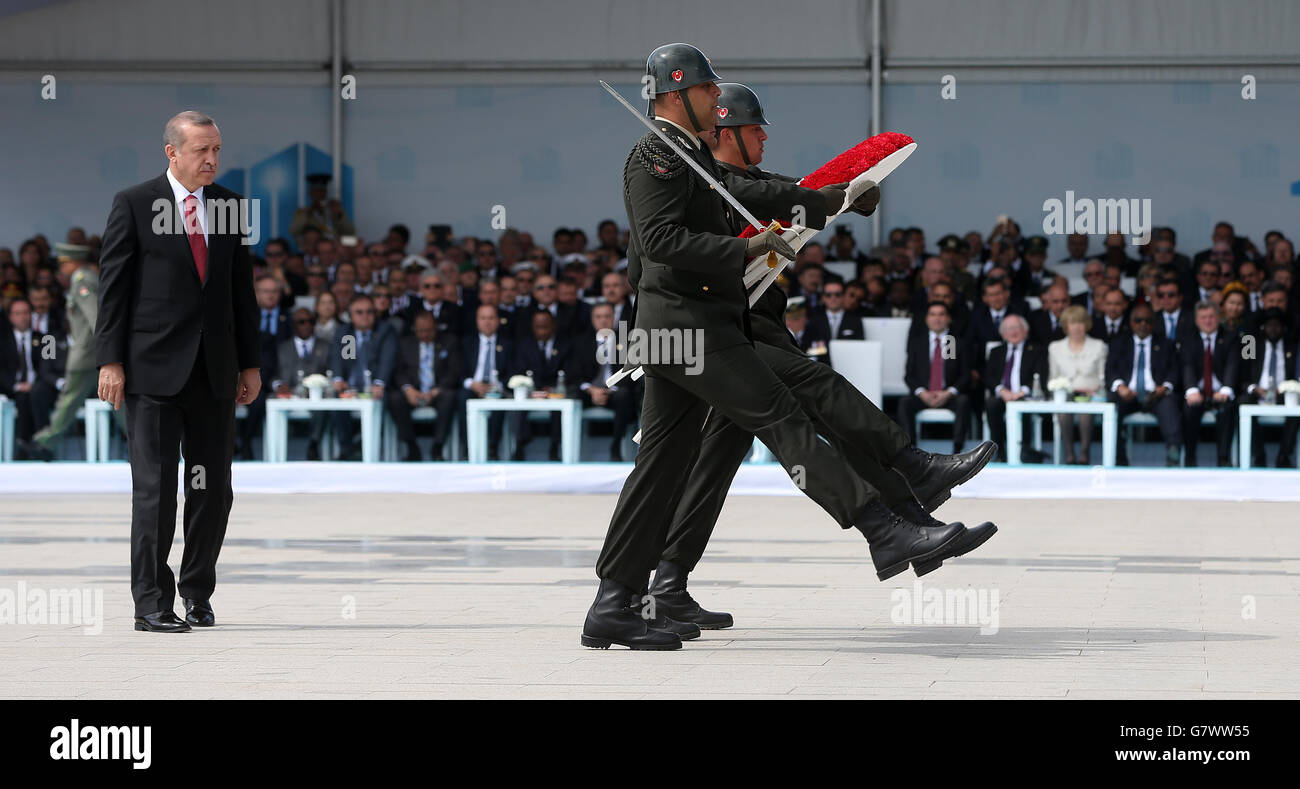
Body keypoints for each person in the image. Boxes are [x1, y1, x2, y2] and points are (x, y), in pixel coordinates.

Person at [636, 78, 996, 636]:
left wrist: (845, 197)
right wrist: (817, 203)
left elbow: (792, 192)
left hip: (747, 331)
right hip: (718, 335)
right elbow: (693, 236)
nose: (764, 138)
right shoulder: (701, 178)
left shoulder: (735, 179)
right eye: (756, 128)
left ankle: (667, 585)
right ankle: (907, 489)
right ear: (726, 131)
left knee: (714, 464)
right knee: (812, 394)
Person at [95, 110, 261, 632]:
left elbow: (241, 292)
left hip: (214, 372)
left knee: (214, 490)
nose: (211, 160)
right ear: (172, 152)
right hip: (151, 374)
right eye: (201, 151)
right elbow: (113, 289)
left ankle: (197, 592)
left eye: (216, 150)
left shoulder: (232, 206)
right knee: (156, 490)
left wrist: (251, 362)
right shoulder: (135, 203)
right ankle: (150, 603)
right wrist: (110, 360)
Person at [26, 244, 125, 460]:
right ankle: (142, 441)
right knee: (118, 402)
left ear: (73, 262)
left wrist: (105, 353)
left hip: (86, 355)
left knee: (69, 402)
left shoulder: (82, 281)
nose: (63, 269)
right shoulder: (87, 278)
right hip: (93, 354)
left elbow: (96, 319)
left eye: (65, 263)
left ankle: (44, 442)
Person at [1106, 303, 1182, 467]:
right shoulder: (1119, 343)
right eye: (1138, 320)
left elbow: (1174, 371)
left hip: (1155, 395)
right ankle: (1119, 458)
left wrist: (1165, 387)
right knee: (1112, 404)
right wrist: (1120, 386)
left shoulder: (1166, 344)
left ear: (1153, 323)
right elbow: (1110, 370)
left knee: (1170, 403)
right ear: (1131, 322)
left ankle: (1173, 454)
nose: (1143, 324)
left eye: (1147, 321)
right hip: (1128, 395)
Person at [897, 301, 973, 452]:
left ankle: (957, 450)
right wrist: (922, 393)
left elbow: (965, 375)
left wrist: (948, 393)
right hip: (924, 395)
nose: (937, 318)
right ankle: (911, 451)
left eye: (941, 314)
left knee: (964, 401)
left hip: (948, 396)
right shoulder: (917, 343)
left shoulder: (954, 342)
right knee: (905, 403)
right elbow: (909, 376)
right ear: (926, 319)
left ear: (948, 319)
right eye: (932, 314)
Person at [329, 294, 397, 460]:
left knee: (384, 399)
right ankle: (347, 449)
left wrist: (379, 383)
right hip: (351, 387)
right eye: (359, 312)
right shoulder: (347, 333)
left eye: (369, 312)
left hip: (375, 387)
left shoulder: (383, 331)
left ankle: (369, 447)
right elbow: (342, 360)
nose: (365, 316)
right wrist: (338, 379)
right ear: (351, 315)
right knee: (337, 399)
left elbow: (387, 359)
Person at [388, 311, 461, 461]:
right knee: (395, 398)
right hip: (413, 392)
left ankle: (438, 447)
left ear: (436, 328)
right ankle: (412, 447)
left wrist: (435, 392)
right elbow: (398, 372)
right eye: (421, 331)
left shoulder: (449, 341)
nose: (425, 334)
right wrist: (408, 389)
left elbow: (454, 372)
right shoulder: (405, 344)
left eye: (429, 330)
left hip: (437, 392)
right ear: (414, 329)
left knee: (450, 397)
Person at [1179, 300, 1239, 467]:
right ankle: (1190, 459)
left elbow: (1233, 365)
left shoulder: (1231, 338)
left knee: (1228, 409)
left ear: (1219, 317)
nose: (1208, 321)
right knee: (1188, 409)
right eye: (1203, 317)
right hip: (1197, 392)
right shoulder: (1188, 339)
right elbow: (1186, 365)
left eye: (1211, 317)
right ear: (1197, 320)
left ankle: (1224, 459)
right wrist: (1191, 390)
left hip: (1221, 391)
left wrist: (1226, 389)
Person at [1047, 306, 1108, 464]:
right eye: (1072, 322)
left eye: (1080, 322)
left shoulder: (1099, 345)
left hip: (1091, 395)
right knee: (1064, 411)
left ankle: (1084, 452)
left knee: (1085, 412)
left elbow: (1103, 377)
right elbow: (1053, 377)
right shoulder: (1055, 347)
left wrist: (1096, 390)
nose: (1076, 327)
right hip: (1066, 395)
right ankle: (1069, 453)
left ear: (1086, 324)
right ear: (1066, 325)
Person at [983, 315, 1048, 463]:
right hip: (1002, 395)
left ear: (1025, 330)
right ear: (1003, 333)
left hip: (1025, 394)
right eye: (1008, 329)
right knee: (991, 404)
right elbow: (988, 377)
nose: (1013, 332)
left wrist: (1023, 391)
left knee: (1022, 404)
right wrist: (1002, 390)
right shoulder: (996, 351)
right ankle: (999, 452)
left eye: (1016, 328)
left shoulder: (1037, 349)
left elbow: (1041, 374)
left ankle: (1024, 450)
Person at [1237, 307, 1297, 467]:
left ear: (1283, 327)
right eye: (1269, 325)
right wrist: (1255, 388)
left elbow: (1296, 376)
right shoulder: (1250, 343)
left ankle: (1284, 455)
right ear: (1263, 327)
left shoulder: (1292, 345)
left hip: (1283, 393)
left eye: (1277, 325)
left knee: (1297, 405)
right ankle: (1258, 456)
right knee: (1243, 401)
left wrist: (1284, 389)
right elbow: (1242, 376)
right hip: (1257, 393)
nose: (1273, 329)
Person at [272, 307, 331, 460]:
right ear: (293, 325)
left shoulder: (326, 346)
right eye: (301, 322)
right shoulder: (281, 347)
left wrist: (322, 386)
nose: (307, 325)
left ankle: (314, 443)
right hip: (288, 395)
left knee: (322, 407)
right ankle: (275, 455)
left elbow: (331, 372)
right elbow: (271, 374)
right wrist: (278, 385)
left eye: (311, 321)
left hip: (316, 396)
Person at [289, 173, 355, 245]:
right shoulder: (303, 212)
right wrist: (309, 213)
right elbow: (293, 231)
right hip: (315, 247)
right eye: (316, 191)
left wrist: (338, 214)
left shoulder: (334, 208)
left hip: (333, 246)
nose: (319, 195)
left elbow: (350, 232)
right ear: (310, 193)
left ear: (326, 193)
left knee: (355, 241)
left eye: (322, 191)